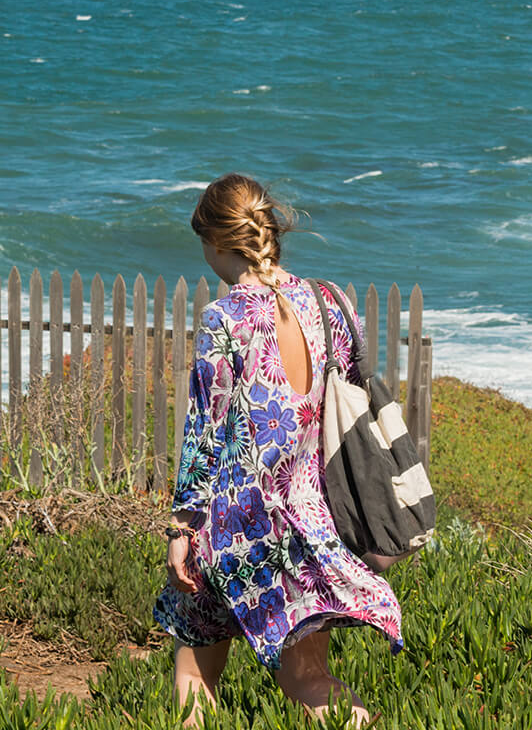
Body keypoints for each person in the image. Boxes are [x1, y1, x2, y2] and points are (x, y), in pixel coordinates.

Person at [153, 173, 403, 726]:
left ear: (219, 243)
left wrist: (182, 529)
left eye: (203, 244)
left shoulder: (227, 318)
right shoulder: (329, 303)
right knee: (309, 679)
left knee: (195, 671)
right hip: (311, 519)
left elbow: (205, 432)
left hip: (234, 524)